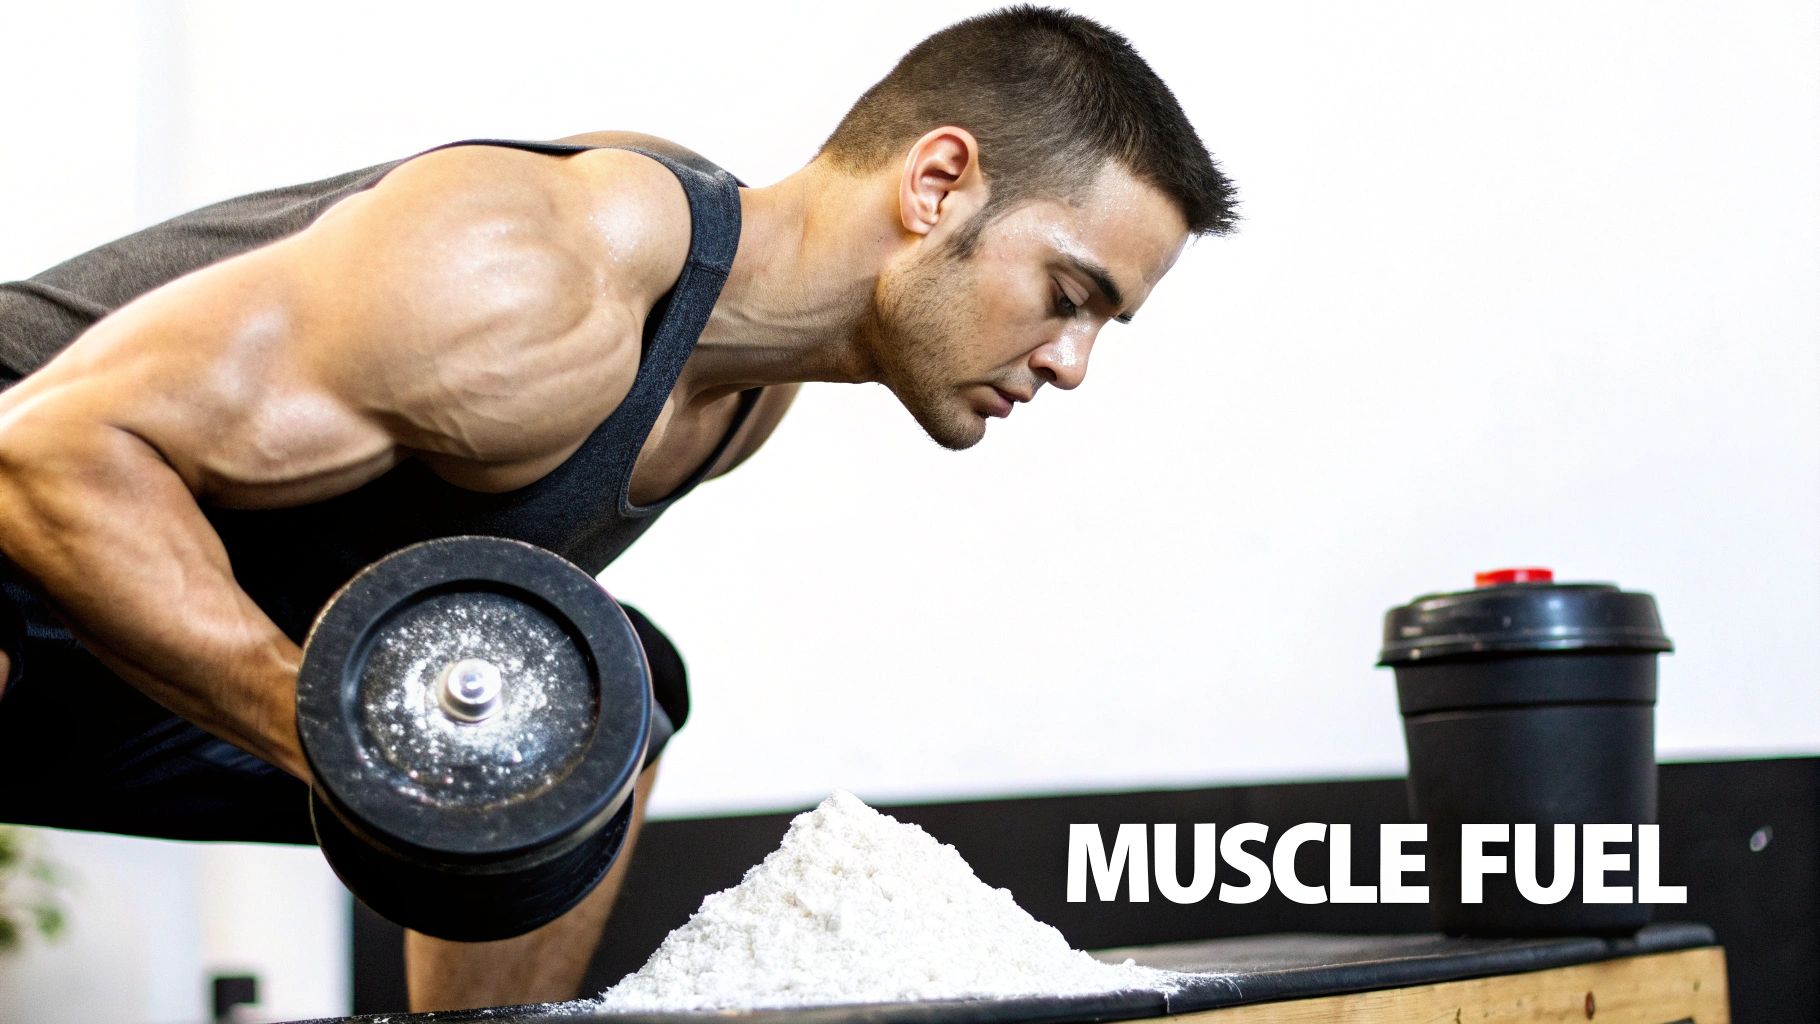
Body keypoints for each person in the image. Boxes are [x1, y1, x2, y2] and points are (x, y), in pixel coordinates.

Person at [0, 4, 1235, 1012]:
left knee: (600, 700)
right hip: (34, 518)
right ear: (937, 182)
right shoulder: (538, 272)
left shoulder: (741, 401)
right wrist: (343, 736)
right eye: (1067, 293)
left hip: (123, 630)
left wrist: (442, 766)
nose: (1069, 361)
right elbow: (48, 453)